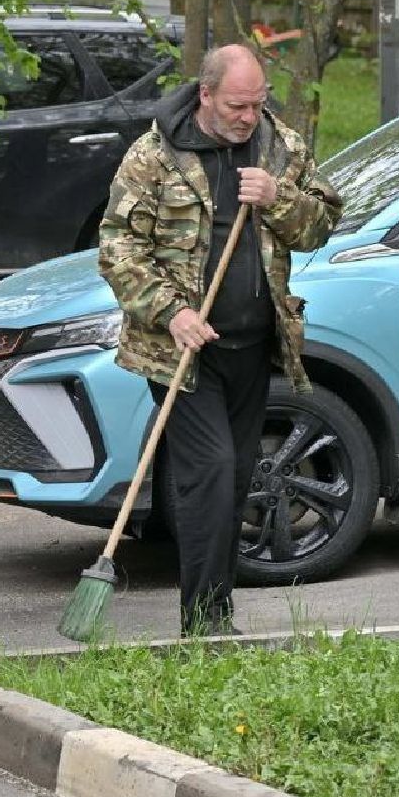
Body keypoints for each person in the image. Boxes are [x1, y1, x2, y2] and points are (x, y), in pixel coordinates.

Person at [98, 44, 342, 636]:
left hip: (254, 348)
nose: (248, 117)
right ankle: (203, 622)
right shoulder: (156, 155)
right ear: (206, 94)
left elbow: (323, 221)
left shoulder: (277, 146)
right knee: (209, 474)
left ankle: (215, 608)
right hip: (182, 354)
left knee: (234, 480)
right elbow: (118, 249)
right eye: (237, 105)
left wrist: (278, 199)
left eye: (258, 104)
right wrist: (172, 311)